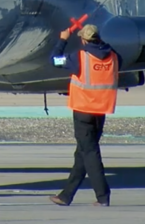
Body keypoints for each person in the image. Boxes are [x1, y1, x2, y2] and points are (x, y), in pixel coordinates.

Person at [48, 23, 120, 207]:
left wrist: (62, 39)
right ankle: (66, 196)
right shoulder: (113, 56)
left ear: (83, 39)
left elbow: (54, 60)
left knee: (90, 153)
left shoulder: (80, 57)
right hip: (101, 110)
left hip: (83, 111)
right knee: (82, 153)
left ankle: (102, 196)